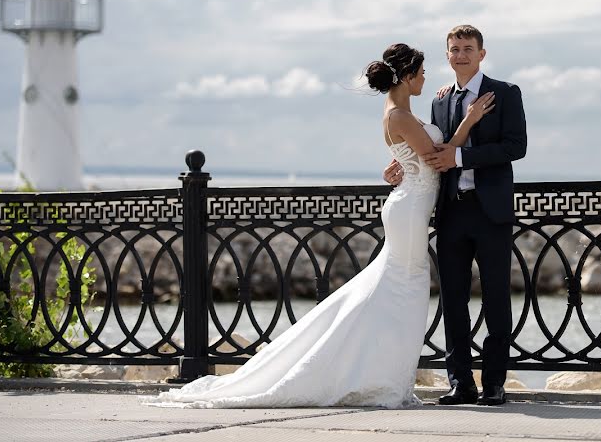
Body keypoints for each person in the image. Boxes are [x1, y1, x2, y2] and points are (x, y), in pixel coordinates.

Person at [148, 43, 491, 409]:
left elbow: (411, 156)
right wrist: (469, 120)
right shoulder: (399, 115)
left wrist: (399, 165)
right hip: (408, 213)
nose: (426, 77)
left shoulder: (403, 112)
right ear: (407, 76)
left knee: (394, 293)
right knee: (403, 291)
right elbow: (439, 159)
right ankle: (372, 377)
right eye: (422, 71)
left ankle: (375, 372)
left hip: (410, 206)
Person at [384, 25, 527, 406]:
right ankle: (460, 382)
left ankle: (494, 383)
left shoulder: (506, 93)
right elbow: (433, 148)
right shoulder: (440, 100)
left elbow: (516, 146)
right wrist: (403, 163)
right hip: (451, 211)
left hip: (491, 210)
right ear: (447, 55)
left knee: (496, 298)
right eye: (454, 49)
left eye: (468, 48)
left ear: (481, 53)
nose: (461, 55)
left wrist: (461, 157)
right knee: (453, 300)